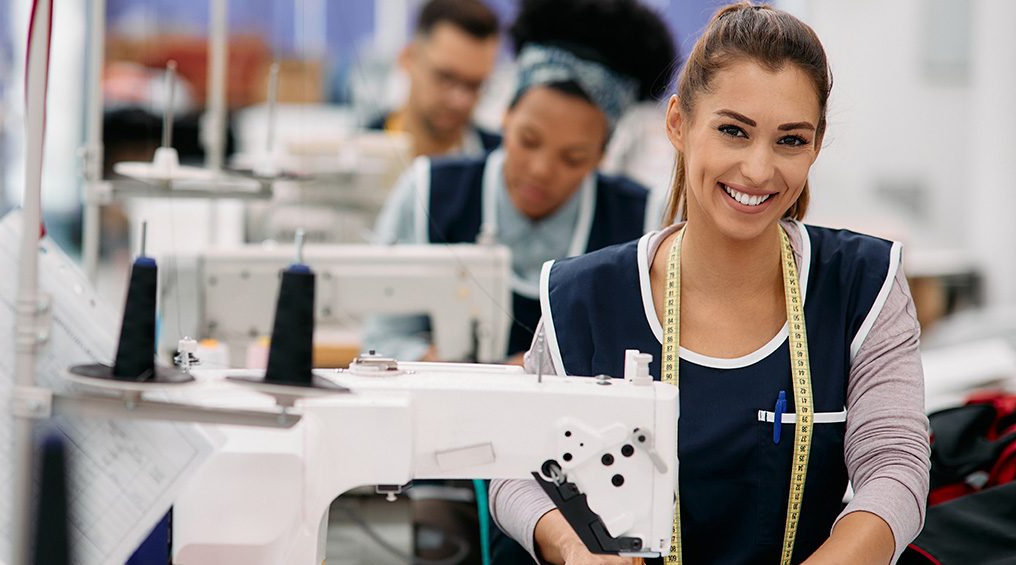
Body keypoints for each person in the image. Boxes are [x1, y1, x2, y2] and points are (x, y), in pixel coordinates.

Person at [490, 3, 931, 564]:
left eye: (790, 140)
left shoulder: (866, 288)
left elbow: (895, 469)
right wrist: (576, 550)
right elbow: (516, 471)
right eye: (732, 131)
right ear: (678, 123)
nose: (757, 169)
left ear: (816, 145)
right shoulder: (579, 299)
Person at [367, 0, 677, 363]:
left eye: (572, 157)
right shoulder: (427, 193)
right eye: (527, 140)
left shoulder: (644, 224)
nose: (541, 169)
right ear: (505, 116)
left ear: (601, 155)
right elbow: (383, 339)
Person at [369, 0, 502, 158]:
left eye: (475, 85)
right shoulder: (353, 154)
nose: (459, 100)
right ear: (408, 58)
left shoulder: (501, 162)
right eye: (446, 77)